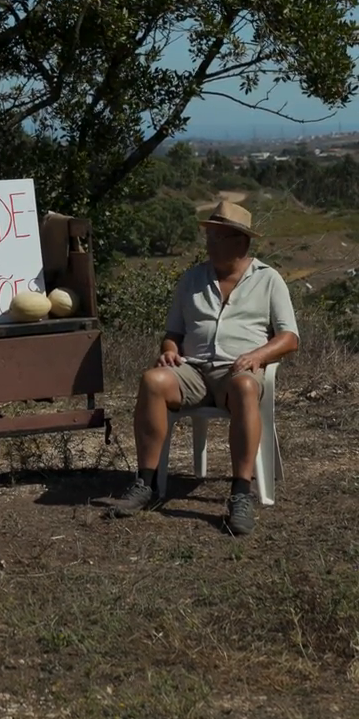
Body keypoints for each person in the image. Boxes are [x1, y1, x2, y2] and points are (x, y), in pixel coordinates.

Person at [102, 200, 299, 535]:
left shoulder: (268, 279)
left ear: (241, 242)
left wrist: (259, 355)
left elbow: (289, 337)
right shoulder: (192, 279)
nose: (209, 244)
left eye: (218, 238)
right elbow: (172, 335)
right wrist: (168, 352)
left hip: (237, 371)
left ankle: (241, 493)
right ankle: (145, 483)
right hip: (192, 370)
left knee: (244, 386)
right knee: (152, 380)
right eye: (209, 237)